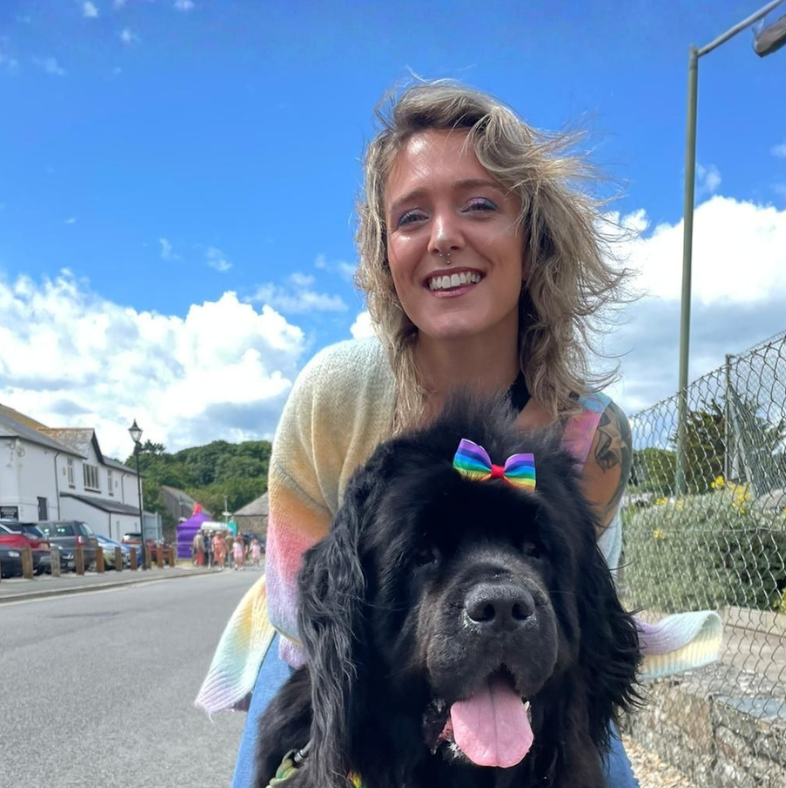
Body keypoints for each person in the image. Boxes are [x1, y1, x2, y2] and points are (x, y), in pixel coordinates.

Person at [196, 81, 720, 788]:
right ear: (387, 254)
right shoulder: (336, 389)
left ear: (531, 235)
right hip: (324, 647)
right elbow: (310, 606)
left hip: (530, 676)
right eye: (412, 217)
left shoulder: (592, 433)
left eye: (479, 205)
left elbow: (586, 618)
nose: (444, 236)